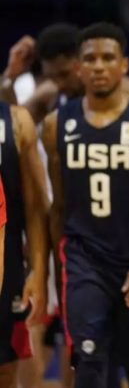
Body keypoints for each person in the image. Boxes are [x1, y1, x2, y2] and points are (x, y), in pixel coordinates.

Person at [42, 22, 129, 388]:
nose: (99, 66)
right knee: (88, 365)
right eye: (90, 59)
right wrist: (56, 271)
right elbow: (58, 206)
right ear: (78, 67)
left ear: (123, 65)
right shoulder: (56, 125)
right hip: (85, 263)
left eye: (108, 58)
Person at [1, 23, 129, 124]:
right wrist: (10, 77)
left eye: (64, 74)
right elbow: (13, 128)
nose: (59, 84)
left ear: (82, 62)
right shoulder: (49, 94)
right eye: (51, 77)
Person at [0, 98, 51, 386]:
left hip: (7, 260)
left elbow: (36, 207)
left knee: (5, 368)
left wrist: (38, 271)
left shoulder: (17, 120)